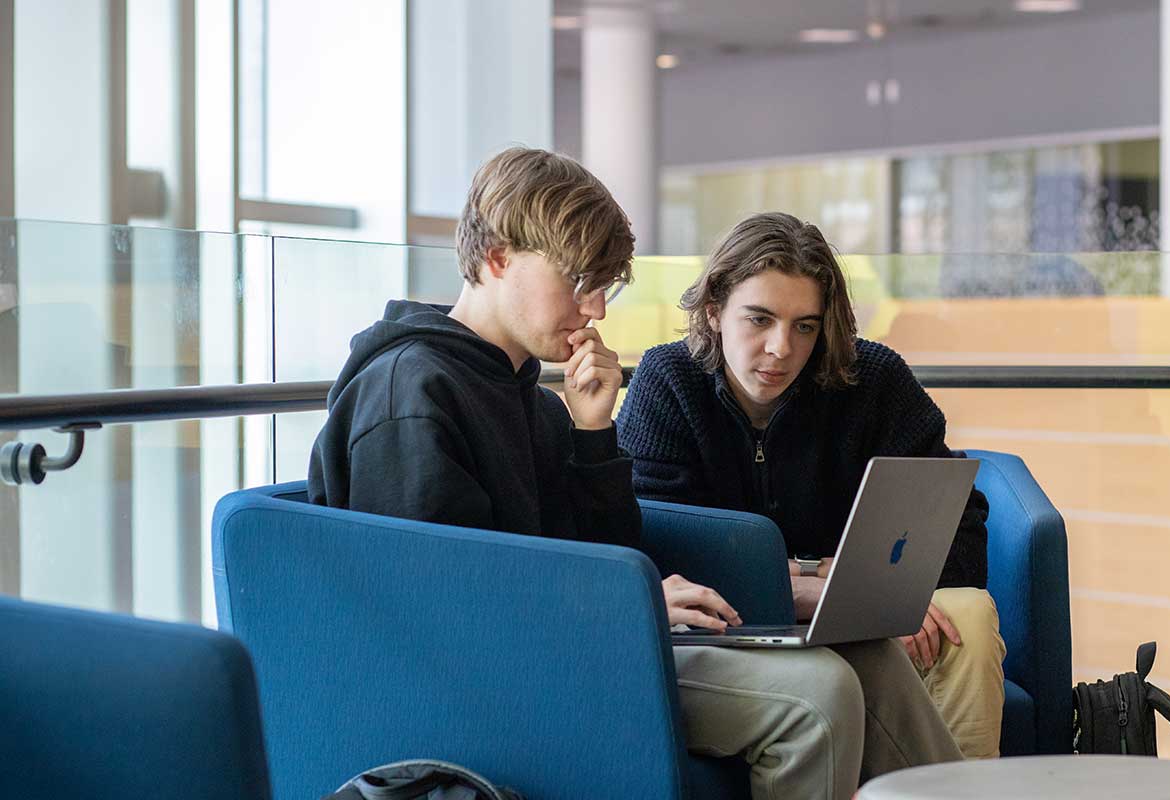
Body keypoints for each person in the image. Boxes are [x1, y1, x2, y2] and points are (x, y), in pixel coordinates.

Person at [309, 149, 961, 799]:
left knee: (870, 656)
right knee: (816, 696)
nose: (594, 309)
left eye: (605, 286)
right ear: (499, 258)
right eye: (578, 281)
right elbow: (448, 607)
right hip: (507, 675)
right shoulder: (410, 396)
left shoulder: (531, 400)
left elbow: (600, 552)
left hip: (578, 641)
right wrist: (635, 603)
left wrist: (594, 435)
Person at [617, 212, 1008, 760]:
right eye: (759, 319)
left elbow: (961, 531)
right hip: (731, 636)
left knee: (967, 613)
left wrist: (868, 596)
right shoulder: (667, 383)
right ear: (713, 312)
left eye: (805, 326)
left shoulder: (871, 379)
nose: (781, 348)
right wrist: (808, 583)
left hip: (854, 608)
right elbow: (658, 557)